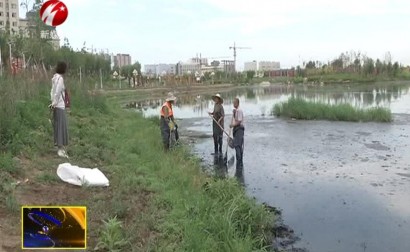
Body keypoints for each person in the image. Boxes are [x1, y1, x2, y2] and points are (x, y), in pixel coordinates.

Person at [49, 61, 69, 158]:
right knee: (61, 126)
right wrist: (55, 103)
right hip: (59, 105)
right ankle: (60, 149)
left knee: (57, 126)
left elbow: (52, 91)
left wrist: (52, 102)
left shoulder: (54, 77)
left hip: (56, 105)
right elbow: (57, 92)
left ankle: (59, 146)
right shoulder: (60, 79)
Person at [230, 98, 244, 169]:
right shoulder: (236, 110)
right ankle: (240, 162)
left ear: (237, 103)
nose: (233, 104)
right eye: (233, 103)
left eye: (234, 103)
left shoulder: (239, 110)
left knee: (237, 145)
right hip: (236, 130)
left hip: (239, 130)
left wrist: (232, 125)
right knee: (238, 145)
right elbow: (236, 119)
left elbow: (239, 121)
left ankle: (239, 162)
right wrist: (234, 112)